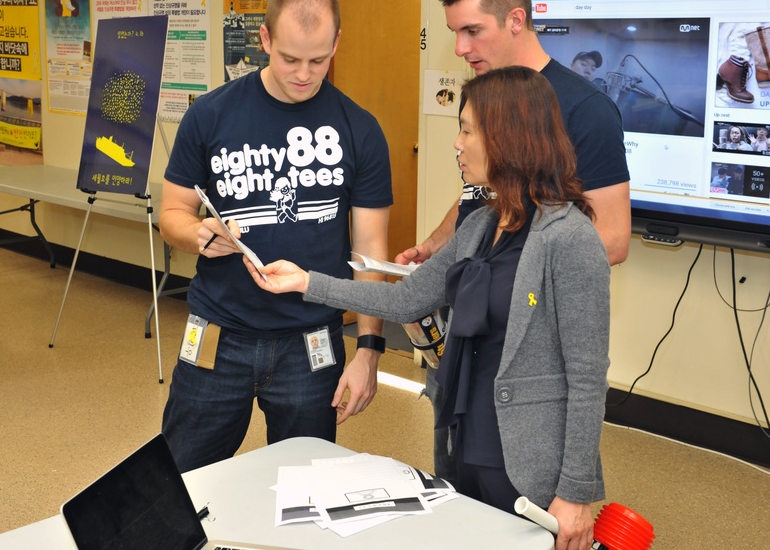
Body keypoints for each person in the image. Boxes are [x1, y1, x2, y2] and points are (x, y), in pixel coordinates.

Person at [247, 66, 610, 550]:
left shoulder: (569, 238)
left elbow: (587, 377)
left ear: (507, 137)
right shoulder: (481, 224)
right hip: (465, 436)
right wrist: (306, 282)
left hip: (527, 460)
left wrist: (576, 494)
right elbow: (405, 299)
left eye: (465, 130)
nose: (456, 144)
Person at [395, 0, 630, 484]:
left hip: (522, 342)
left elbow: (612, 239)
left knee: (515, 494)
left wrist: (508, 267)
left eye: (472, 31)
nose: (460, 48)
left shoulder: (585, 111)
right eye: (455, 33)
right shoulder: (489, 98)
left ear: (517, 19)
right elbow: (486, 196)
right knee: (456, 482)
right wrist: (438, 246)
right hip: (467, 337)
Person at [158, 0, 393, 473]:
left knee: (306, 491)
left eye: (318, 60)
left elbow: (369, 250)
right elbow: (172, 214)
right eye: (289, 59)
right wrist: (199, 235)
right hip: (218, 333)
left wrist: (370, 348)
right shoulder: (210, 114)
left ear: (336, 44)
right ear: (264, 40)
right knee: (182, 479)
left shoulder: (360, 129)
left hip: (312, 343)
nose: (305, 74)